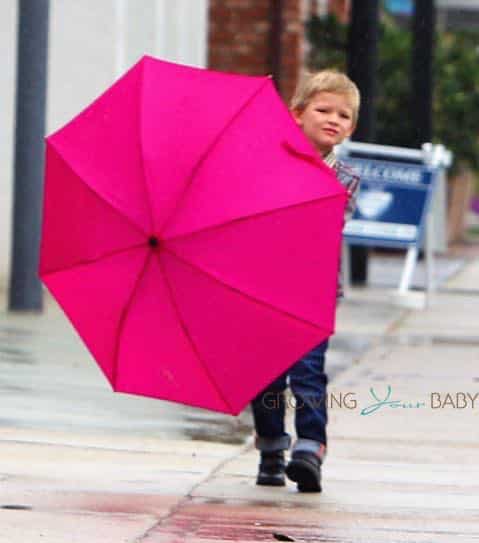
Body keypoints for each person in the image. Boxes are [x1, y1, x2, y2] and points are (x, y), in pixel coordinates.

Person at [251, 70, 361, 492]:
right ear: (297, 114)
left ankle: (311, 447)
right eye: (323, 110)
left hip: (313, 290)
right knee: (266, 373)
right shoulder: (269, 164)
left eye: (344, 115)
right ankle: (271, 448)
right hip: (264, 286)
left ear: (351, 128)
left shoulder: (346, 176)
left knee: (309, 371)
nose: (333, 119)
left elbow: (330, 220)